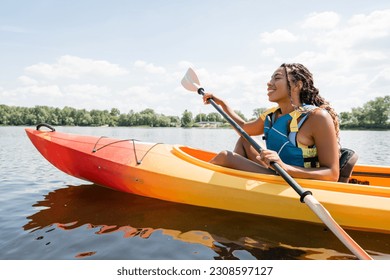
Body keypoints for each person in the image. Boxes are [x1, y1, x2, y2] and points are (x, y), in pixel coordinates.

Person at [202, 63, 340, 181]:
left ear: (297, 85)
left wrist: (285, 168)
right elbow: (243, 128)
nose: (269, 83)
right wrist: (223, 104)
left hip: (296, 181)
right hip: (276, 173)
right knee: (245, 140)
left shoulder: (316, 117)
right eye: (270, 79)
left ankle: (204, 185)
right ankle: (235, 187)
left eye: (277, 78)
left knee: (225, 157)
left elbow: (332, 174)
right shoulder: (272, 115)